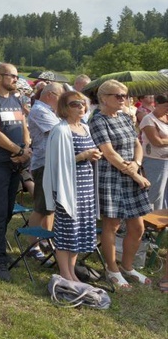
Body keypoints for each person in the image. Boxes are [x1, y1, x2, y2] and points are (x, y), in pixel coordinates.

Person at [90, 80, 152, 289]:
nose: (123, 99)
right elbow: (109, 153)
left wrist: (137, 164)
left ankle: (127, 266)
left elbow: (137, 144)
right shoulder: (98, 121)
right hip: (111, 177)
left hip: (132, 173)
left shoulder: (125, 117)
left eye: (125, 95)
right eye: (118, 96)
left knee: (137, 226)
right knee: (112, 225)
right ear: (104, 98)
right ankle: (112, 269)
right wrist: (136, 175)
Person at [0, 63, 32, 282]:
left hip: (17, 161)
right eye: (13, 76)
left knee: (9, 209)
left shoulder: (16, 100)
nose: (16, 80)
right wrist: (18, 150)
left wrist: (26, 149)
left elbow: (24, 125)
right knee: (0, 209)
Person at [42, 91, 102, 282]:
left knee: (77, 232)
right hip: (68, 187)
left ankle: (72, 270)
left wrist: (93, 155)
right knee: (66, 232)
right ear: (64, 108)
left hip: (85, 187)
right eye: (75, 104)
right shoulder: (60, 130)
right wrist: (83, 156)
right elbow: (56, 163)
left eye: (83, 104)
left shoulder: (85, 127)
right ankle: (64, 273)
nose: (81, 107)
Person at [26, 82, 64, 260]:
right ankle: (32, 246)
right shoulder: (39, 110)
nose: (62, 102)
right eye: (60, 98)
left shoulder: (49, 110)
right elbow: (59, 132)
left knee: (51, 207)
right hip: (43, 163)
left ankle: (45, 240)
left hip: (53, 163)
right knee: (41, 207)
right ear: (50, 95)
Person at [139, 93, 168, 210]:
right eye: (166, 106)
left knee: (164, 194)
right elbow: (156, 142)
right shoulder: (148, 119)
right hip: (155, 161)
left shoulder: (166, 117)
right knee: (155, 193)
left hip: (165, 160)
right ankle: (146, 220)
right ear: (156, 105)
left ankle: (162, 223)